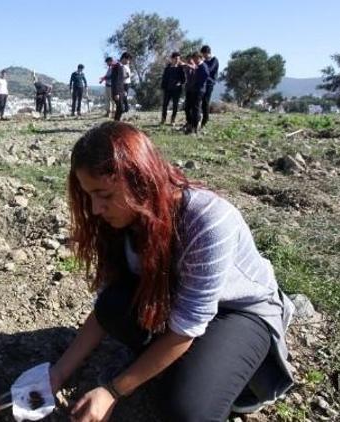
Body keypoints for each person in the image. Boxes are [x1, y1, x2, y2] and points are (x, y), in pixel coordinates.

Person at [50, 121, 295, 422]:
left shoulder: (208, 220)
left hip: (236, 313)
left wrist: (113, 391)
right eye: (89, 195)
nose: (96, 208)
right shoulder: (119, 221)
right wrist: (58, 372)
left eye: (105, 195)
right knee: (113, 305)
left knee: (187, 411)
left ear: (139, 180)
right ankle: (177, 365)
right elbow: (105, 308)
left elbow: (187, 325)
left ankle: (234, 370)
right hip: (180, 306)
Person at [184, 52, 210, 135]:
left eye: (195, 58)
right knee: (191, 107)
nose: (194, 60)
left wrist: (197, 83)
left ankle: (195, 127)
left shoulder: (203, 66)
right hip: (194, 90)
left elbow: (205, 76)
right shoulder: (198, 66)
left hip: (199, 90)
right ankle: (191, 125)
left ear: (199, 57)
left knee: (196, 108)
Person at [160, 52, 186, 125]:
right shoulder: (167, 68)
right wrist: (163, 87)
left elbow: (183, 80)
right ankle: (163, 119)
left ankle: (173, 120)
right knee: (165, 105)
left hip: (176, 90)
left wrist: (179, 83)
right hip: (167, 89)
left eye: (179, 58)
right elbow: (164, 78)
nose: (178, 60)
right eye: (176, 58)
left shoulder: (180, 69)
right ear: (172, 59)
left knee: (175, 105)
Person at [201, 45, 219, 128]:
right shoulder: (204, 61)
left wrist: (202, 65)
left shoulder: (214, 60)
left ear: (208, 53)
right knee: (201, 102)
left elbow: (209, 70)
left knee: (205, 102)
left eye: (204, 55)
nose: (204, 56)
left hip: (209, 84)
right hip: (203, 83)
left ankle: (205, 120)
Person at [110, 53, 131, 122]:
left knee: (120, 109)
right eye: (128, 60)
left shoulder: (121, 66)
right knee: (120, 108)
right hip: (116, 92)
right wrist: (116, 93)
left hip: (121, 91)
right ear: (124, 58)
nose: (129, 62)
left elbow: (121, 81)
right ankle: (115, 124)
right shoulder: (116, 66)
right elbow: (114, 81)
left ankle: (116, 123)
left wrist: (124, 90)